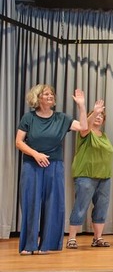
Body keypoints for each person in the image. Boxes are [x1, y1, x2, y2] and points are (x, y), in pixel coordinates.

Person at [16, 85, 91, 255]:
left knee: (53, 204)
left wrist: (81, 105)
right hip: (32, 165)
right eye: (46, 94)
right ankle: (29, 245)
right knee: (31, 203)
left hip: (54, 165)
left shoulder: (61, 118)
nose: (50, 96)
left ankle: (47, 245)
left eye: (51, 94)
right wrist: (36, 155)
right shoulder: (29, 118)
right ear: (37, 98)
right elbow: (19, 142)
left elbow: (84, 128)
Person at [67, 107, 113, 249]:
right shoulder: (85, 132)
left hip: (104, 177)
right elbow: (84, 127)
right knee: (81, 206)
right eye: (96, 115)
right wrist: (94, 112)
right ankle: (72, 239)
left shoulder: (104, 136)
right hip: (86, 175)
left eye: (101, 116)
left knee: (101, 207)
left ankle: (97, 238)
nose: (99, 117)